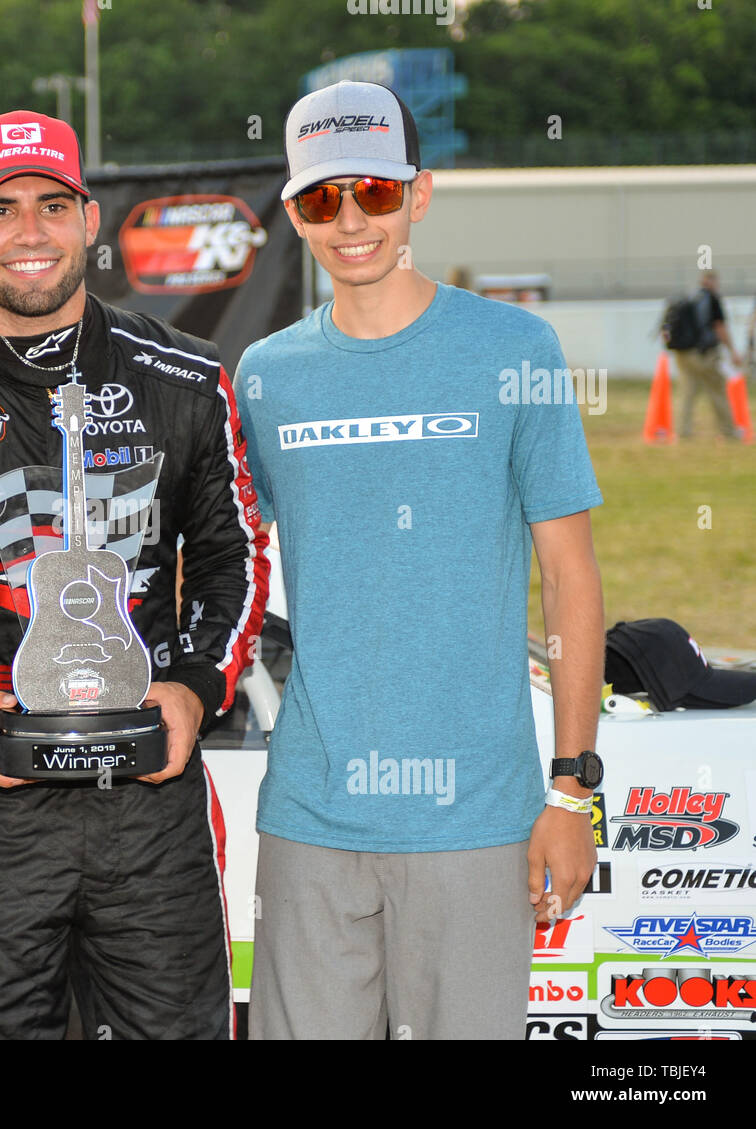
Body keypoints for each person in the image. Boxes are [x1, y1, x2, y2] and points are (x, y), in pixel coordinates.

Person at [0, 110, 269, 1039]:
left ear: (90, 220)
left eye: (52, 204)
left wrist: (198, 686)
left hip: (153, 799)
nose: (29, 232)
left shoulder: (189, 379)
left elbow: (230, 556)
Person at [235, 81, 605, 1040]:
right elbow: (226, 563)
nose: (351, 221)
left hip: (478, 818)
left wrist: (570, 789)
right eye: (322, 200)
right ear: (293, 212)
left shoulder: (514, 349)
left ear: (421, 193)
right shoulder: (266, 376)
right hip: (311, 814)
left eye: (375, 193)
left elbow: (571, 580)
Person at [668, 270, 741, 440]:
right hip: (703, 354)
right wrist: (732, 351)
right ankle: (728, 432)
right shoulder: (712, 299)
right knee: (717, 390)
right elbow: (719, 327)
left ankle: (682, 433)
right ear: (713, 281)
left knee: (687, 392)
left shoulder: (689, 297)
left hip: (682, 353)